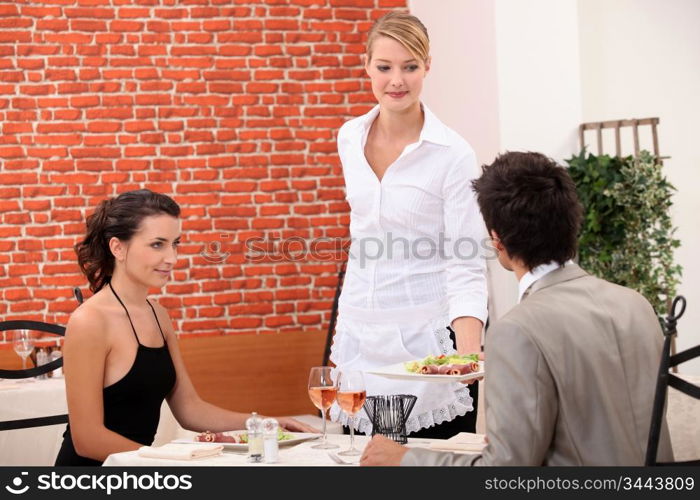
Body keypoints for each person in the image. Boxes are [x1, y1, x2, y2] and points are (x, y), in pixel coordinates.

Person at [361, 151, 674, 466]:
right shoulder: (635, 303)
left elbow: (504, 472)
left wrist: (406, 459)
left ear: (496, 239)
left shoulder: (516, 330)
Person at [55, 189, 315, 466]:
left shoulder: (158, 315)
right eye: (157, 244)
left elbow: (190, 409)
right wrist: (168, 463)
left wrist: (266, 423)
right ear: (117, 248)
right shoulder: (89, 322)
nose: (172, 257)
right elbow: (88, 439)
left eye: (175, 243)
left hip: (143, 468)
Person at [330, 12, 488, 439]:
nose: (396, 80)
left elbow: (466, 260)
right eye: (384, 67)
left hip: (428, 341)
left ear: (427, 66)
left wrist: (470, 350)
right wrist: (345, 329)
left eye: (410, 67)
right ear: (366, 66)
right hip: (361, 336)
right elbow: (363, 236)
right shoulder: (349, 137)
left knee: (431, 471)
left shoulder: (452, 153)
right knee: (365, 469)